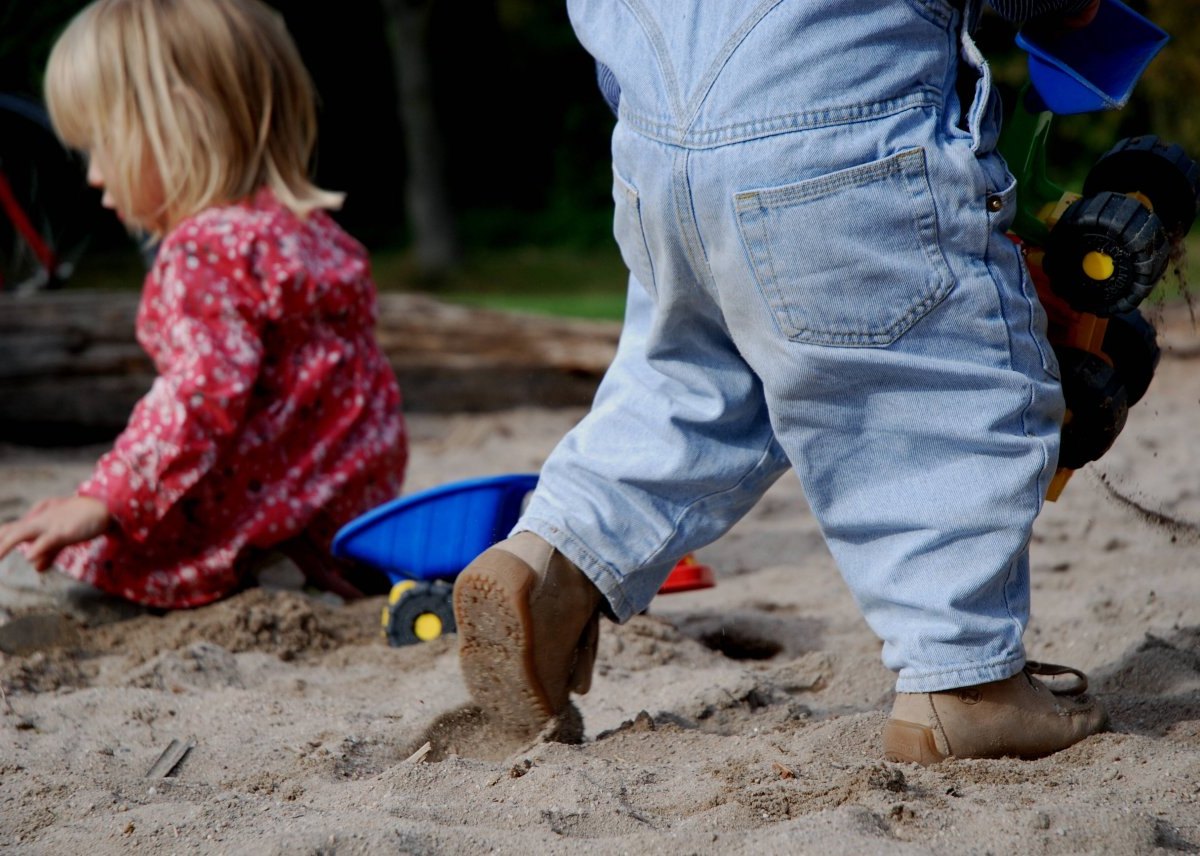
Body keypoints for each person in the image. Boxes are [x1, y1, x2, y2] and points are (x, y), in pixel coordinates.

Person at [452, 0, 1110, 763]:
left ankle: (553, 551)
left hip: (662, 158)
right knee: (929, 395)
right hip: (851, 137)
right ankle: (962, 683)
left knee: (688, 378)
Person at [0, 0, 406, 610]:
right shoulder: (308, 229)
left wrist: (106, 498)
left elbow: (198, 397)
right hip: (348, 492)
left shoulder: (204, 250)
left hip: (274, 500)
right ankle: (301, 560)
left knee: (108, 558)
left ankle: (265, 563)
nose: (93, 175)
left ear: (180, 124)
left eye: (102, 147)